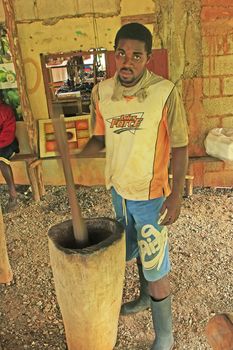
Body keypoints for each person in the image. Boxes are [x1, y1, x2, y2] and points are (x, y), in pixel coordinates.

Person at [80, 22, 188, 350]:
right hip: (119, 193)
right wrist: (76, 154)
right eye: (121, 54)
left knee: (155, 263)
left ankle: (165, 335)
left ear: (148, 59)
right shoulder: (102, 93)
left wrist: (176, 195)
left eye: (136, 56)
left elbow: (181, 146)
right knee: (135, 250)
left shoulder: (165, 92)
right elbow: (100, 139)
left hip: (151, 196)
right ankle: (143, 298)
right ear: (114, 56)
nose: (127, 62)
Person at [0, 90, 19, 212]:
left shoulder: (5, 110)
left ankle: (13, 195)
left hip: (7, 144)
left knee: (1, 161)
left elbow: (8, 134)